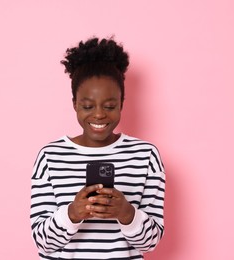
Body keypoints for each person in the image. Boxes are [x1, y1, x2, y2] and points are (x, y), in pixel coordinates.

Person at [30, 37, 166, 260]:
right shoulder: (50, 157)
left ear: (122, 103)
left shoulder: (146, 156)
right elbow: (43, 243)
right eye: (87, 106)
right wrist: (72, 213)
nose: (99, 114)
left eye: (110, 106)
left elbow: (151, 243)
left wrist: (127, 214)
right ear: (74, 103)